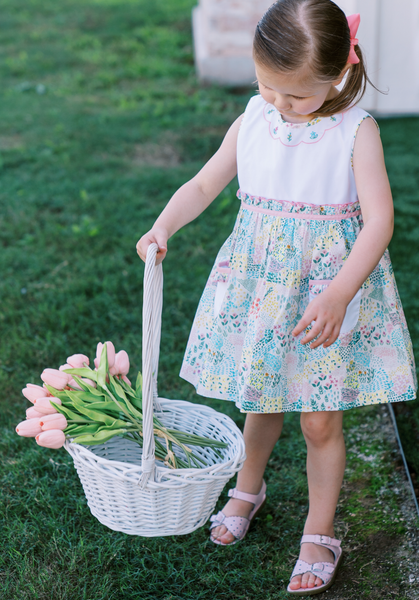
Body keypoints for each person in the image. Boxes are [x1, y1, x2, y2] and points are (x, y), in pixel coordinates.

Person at [137, 0, 417, 594]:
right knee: (259, 397)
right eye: (268, 86)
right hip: (263, 291)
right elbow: (206, 181)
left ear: (339, 75)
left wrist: (341, 292)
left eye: (295, 95)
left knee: (319, 420)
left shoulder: (355, 130)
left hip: (326, 299)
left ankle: (318, 531)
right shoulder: (255, 118)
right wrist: (164, 225)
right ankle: (248, 488)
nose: (279, 104)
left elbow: (379, 222)